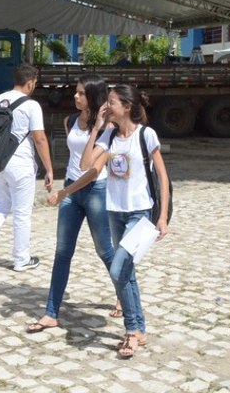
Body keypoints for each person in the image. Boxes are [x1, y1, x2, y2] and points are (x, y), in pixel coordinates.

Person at [80, 84, 170, 359]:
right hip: (114, 212)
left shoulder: (146, 134)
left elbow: (163, 178)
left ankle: (131, 330)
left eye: (112, 103)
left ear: (127, 107)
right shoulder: (109, 137)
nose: (107, 107)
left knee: (119, 268)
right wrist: (97, 127)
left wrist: (163, 216)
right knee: (126, 272)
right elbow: (85, 164)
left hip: (139, 213)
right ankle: (139, 328)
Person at [26, 74, 117, 334]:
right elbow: (75, 160)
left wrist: (63, 193)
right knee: (62, 252)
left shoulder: (109, 127)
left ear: (94, 97)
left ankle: (124, 295)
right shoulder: (70, 121)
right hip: (71, 189)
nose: (75, 97)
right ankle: (51, 312)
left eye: (80, 93)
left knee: (105, 251)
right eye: (75, 93)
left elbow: (91, 169)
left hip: (94, 190)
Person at [0, 63, 53, 275]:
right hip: (20, 163)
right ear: (31, 82)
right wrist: (49, 169)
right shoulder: (31, 105)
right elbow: (39, 138)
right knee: (22, 213)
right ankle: (21, 258)